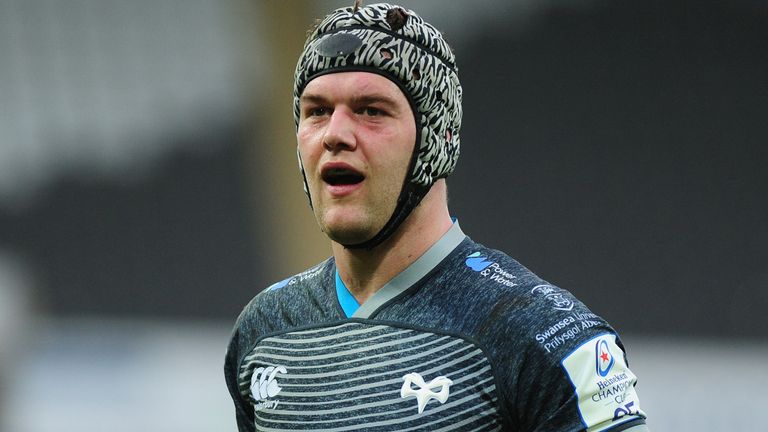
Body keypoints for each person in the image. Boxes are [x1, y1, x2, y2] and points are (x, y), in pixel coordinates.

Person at [225, 2, 648, 431]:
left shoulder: (541, 333)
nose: (335, 134)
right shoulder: (265, 329)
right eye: (316, 111)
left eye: (371, 110)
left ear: (436, 140)